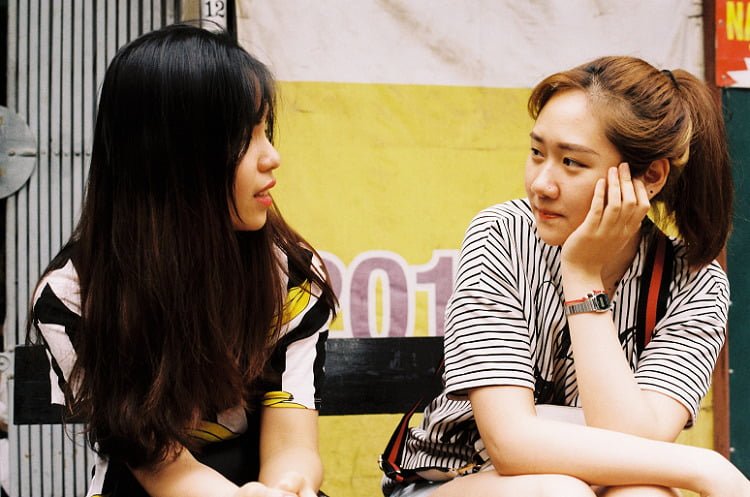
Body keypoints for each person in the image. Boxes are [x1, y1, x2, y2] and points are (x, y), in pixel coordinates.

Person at [382, 56, 750, 497]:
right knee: (559, 493)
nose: (541, 183)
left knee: (644, 494)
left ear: (649, 177)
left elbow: (633, 446)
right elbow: (510, 443)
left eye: (572, 162)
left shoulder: (694, 282)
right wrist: (703, 466)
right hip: (453, 482)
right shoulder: (502, 234)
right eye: (537, 152)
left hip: (595, 482)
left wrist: (582, 278)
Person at [27, 24, 337, 497]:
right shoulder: (73, 297)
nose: (272, 157)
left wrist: (283, 488)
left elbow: (293, 443)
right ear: (170, 157)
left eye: (266, 131)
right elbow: (163, 469)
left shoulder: (291, 274)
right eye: (245, 137)